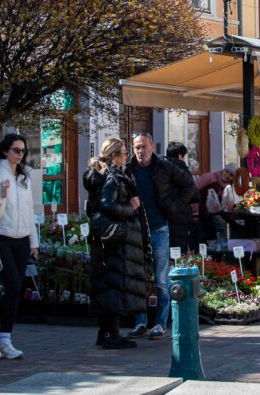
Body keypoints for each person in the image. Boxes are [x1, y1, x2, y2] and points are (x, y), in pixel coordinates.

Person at [127, 132, 197, 340]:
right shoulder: (128, 169)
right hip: (136, 228)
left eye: (144, 146)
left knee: (161, 278)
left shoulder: (163, 166)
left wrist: (174, 207)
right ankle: (140, 321)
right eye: (137, 147)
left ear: (152, 146)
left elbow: (189, 186)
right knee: (137, 276)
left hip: (159, 227)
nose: (140, 151)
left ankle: (160, 322)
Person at [84, 138, 147, 349]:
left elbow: (92, 207)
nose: (127, 156)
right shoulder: (111, 177)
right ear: (113, 156)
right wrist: (131, 207)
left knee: (106, 284)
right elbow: (107, 204)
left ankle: (105, 332)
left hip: (104, 238)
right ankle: (112, 333)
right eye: (123, 153)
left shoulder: (100, 175)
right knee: (115, 284)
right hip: (116, 239)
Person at [0, 133, 39, 361]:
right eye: (16, 150)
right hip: (1, 236)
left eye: (23, 151)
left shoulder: (24, 177)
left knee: (15, 291)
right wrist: (1, 195)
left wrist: (34, 242)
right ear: (5, 151)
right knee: (13, 285)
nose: (20, 154)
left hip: (22, 238)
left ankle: (5, 338)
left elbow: (30, 210)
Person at [165, 142, 195, 254]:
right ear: (180, 156)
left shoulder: (159, 167)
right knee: (179, 247)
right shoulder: (182, 169)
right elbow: (194, 194)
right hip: (181, 212)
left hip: (163, 212)